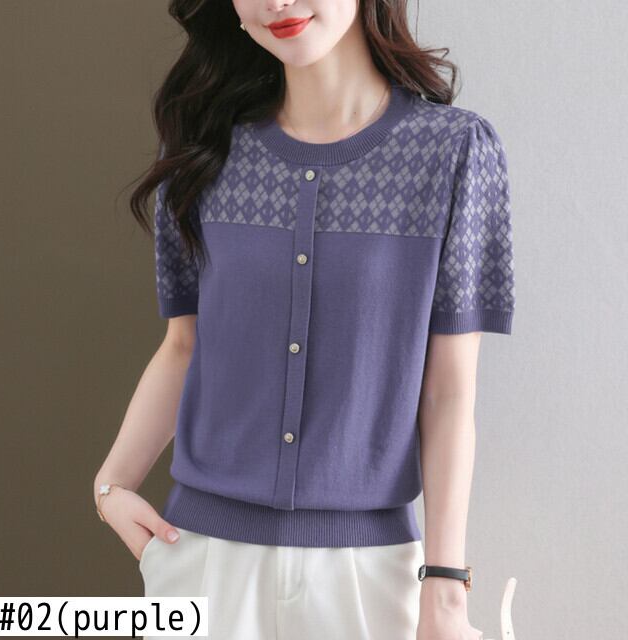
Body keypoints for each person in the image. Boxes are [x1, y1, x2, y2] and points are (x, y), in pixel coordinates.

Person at [93, 1, 516, 639]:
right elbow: (183, 346)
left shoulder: (453, 153)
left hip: (367, 578)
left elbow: (449, 392)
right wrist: (111, 486)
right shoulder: (203, 147)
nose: (276, 2)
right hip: (202, 560)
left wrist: (446, 589)